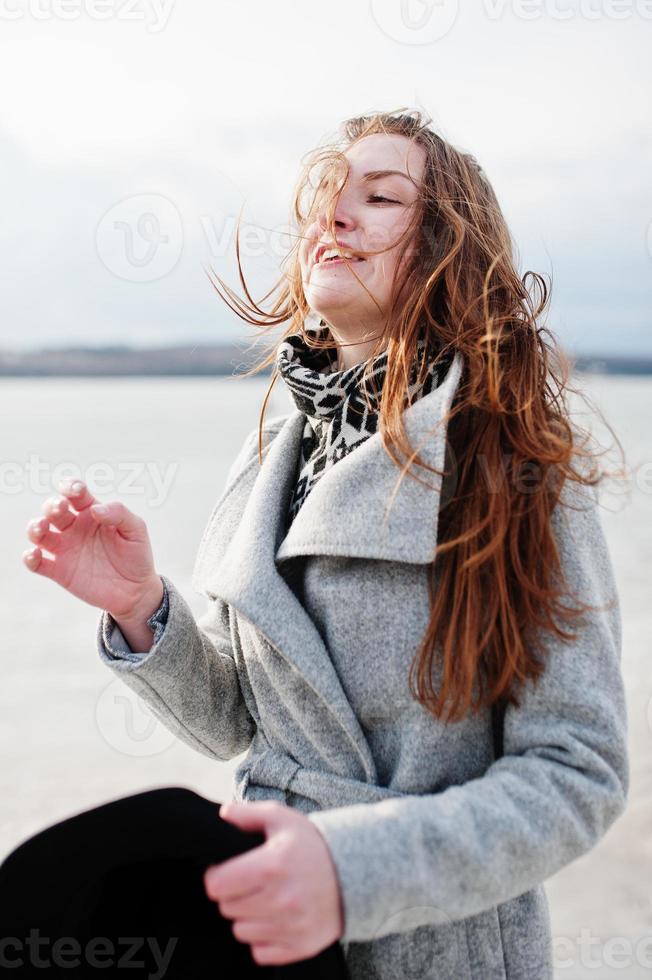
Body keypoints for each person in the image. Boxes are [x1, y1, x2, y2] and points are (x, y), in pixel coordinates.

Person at [17, 110, 629, 979]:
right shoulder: (277, 445)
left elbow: (579, 774)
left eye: (379, 197)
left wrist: (350, 873)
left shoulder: (509, 458)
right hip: (260, 933)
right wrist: (143, 607)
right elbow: (241, 723)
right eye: (325, 197)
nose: (332, 216)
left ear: (448, 251)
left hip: (429, 949)